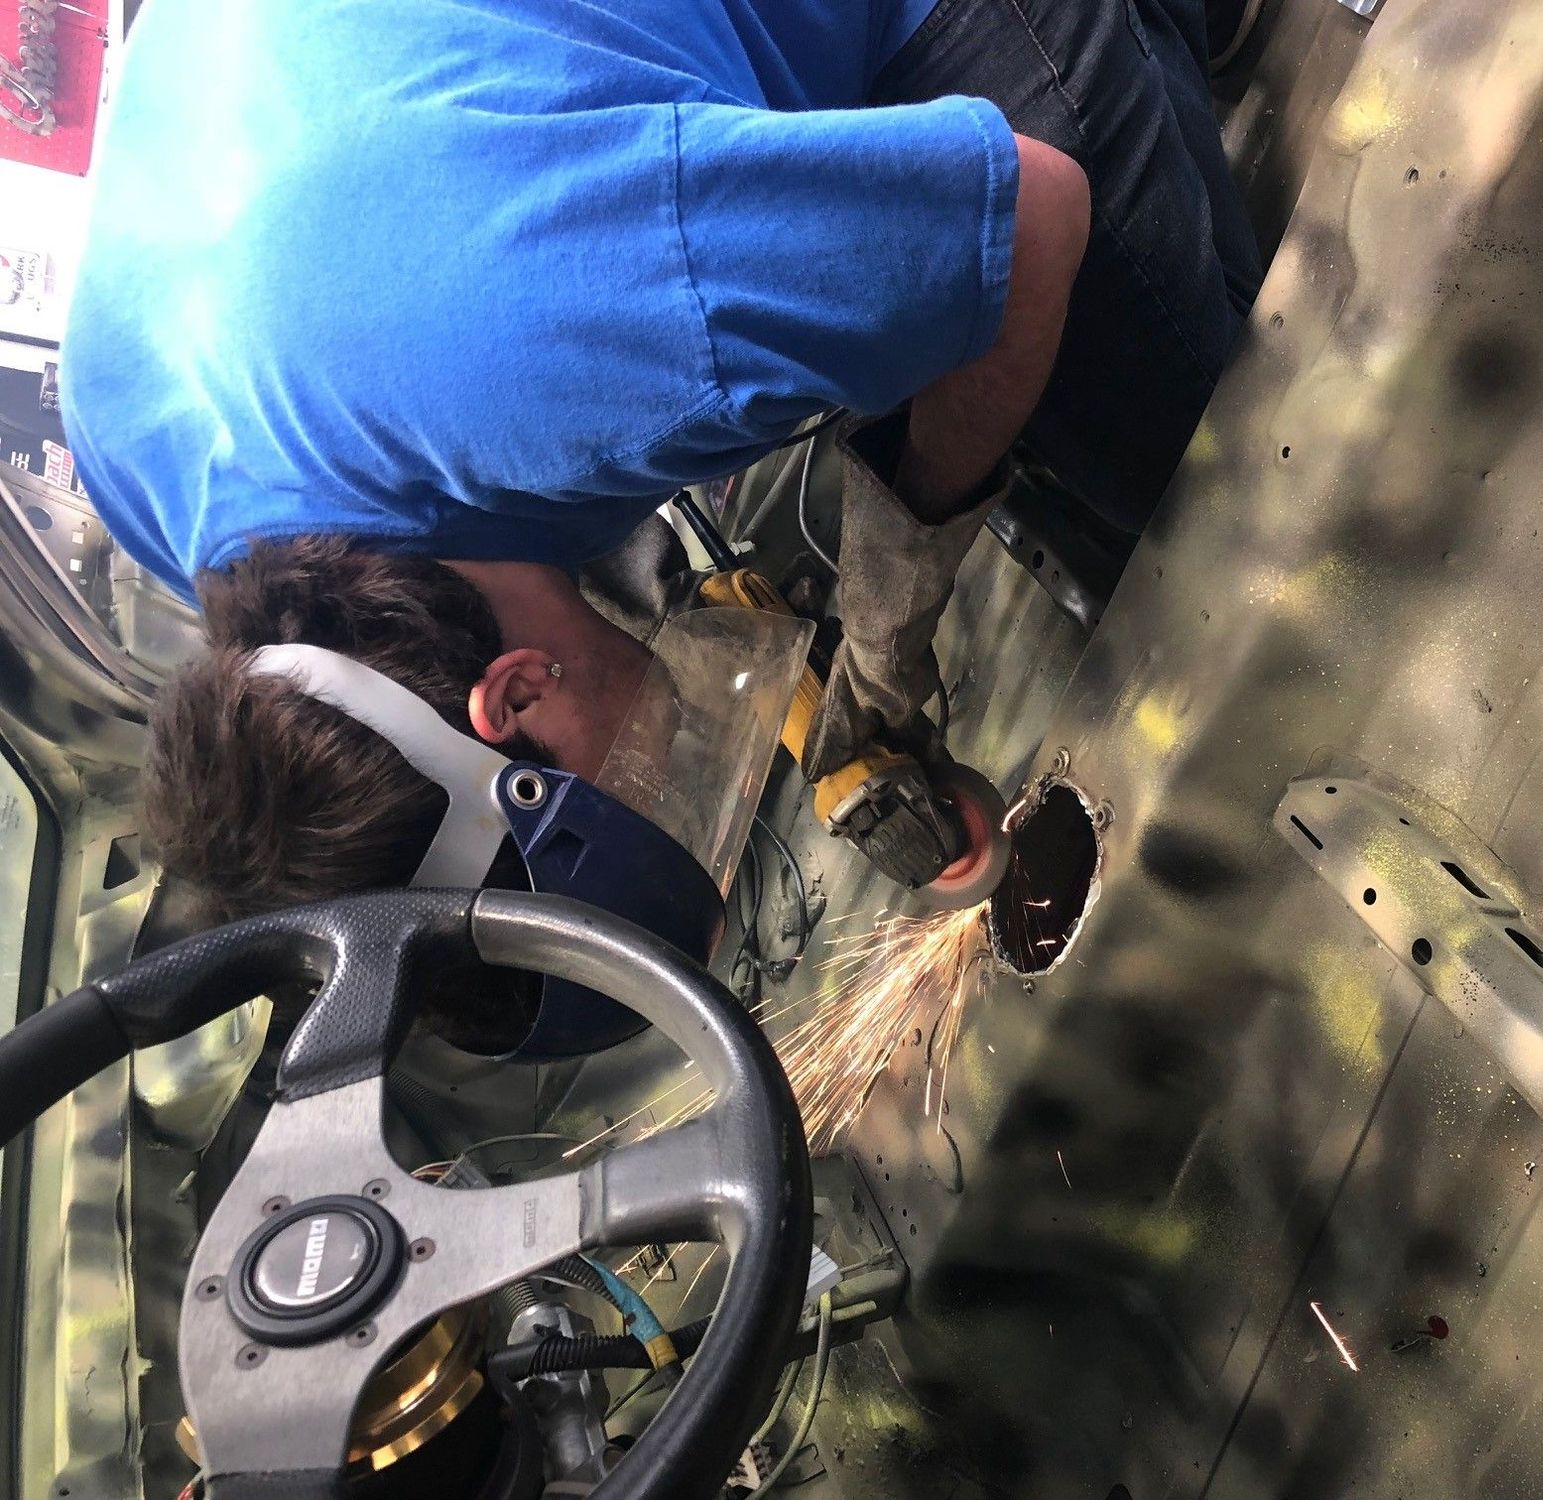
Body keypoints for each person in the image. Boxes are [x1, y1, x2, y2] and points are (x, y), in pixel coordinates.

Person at [65, 0, 1263, 937]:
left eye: (630, 794)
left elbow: (1030, 213)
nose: (659, 780)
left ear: (515, 698)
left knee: (1199, 474)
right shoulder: (159, 499)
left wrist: (896, 602)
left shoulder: (569, 348)